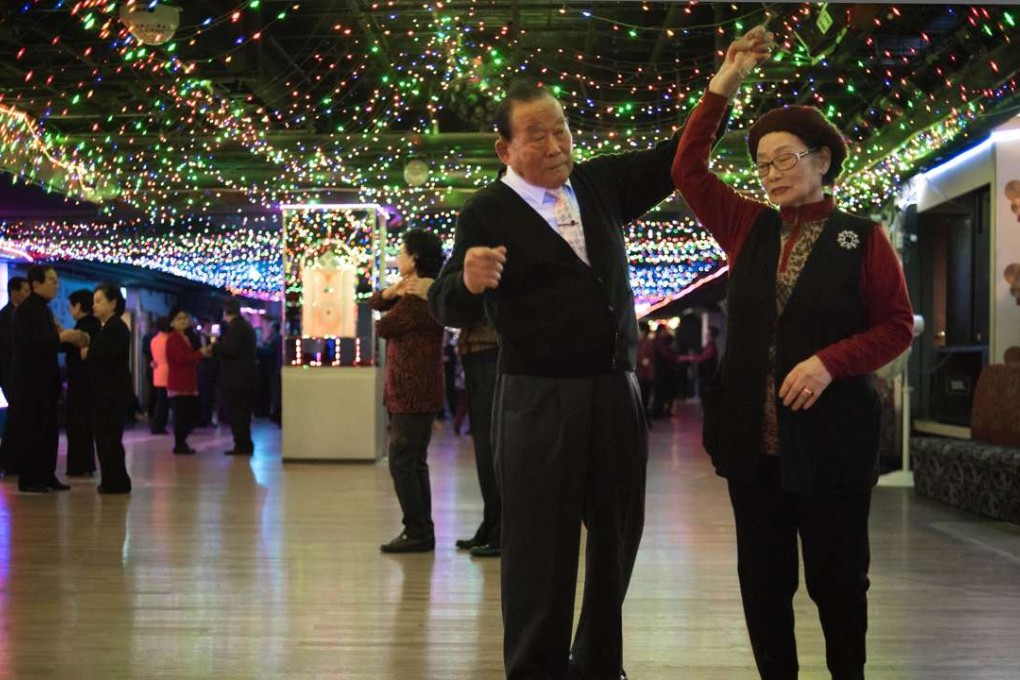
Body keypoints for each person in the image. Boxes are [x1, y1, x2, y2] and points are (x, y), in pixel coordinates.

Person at [672, 26, 915, 680]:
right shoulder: (747, 226)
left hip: (833, 442)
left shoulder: (860, 239)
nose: (773, 172)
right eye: (764, 163)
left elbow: (896, 326)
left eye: (787, 158)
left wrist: (829, 361)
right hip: (754, 449)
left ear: (822, 160)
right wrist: (725, 82)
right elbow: (687, 168)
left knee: (839, 584)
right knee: (764, 585)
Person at [428, 79, 677, 680]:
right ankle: (535, 667)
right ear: (504, 148)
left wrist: (727, 81)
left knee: (619, 530)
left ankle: (597, 661)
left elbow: (680, 154)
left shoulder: (598, 185)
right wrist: (467, 280)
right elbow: (444, 306)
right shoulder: (486, 212)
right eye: (536, 134)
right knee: (540, 543)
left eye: (561, 128)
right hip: (537, 396)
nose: (556, 143)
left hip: (614, 388)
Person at [370, 228, 445, 554]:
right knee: (413, 461)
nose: (397, 256)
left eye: (401, 251)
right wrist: (391, 291)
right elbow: (375, 303)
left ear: (414, 259)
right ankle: (420, 530)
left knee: (403, 461)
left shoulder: (419, 297)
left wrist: (396, 295)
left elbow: (383, 325)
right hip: (413, 389)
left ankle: (417, 531)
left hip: (413, 390)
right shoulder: (414, 292)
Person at [9, 266, 88, 493]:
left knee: (49, 429)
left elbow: (49, 342)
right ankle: (31, 479)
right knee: (34, 430)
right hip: (30, 382)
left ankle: (47, 475)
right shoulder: (25, 311)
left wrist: (69, 340)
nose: (56, 285)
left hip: (46, 380)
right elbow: (30, 345)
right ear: (36, 284)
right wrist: (61, 337)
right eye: (52, 280)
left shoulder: (43, 310)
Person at [453, 321, 501, 558]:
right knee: (484, 448)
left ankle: (499, 530)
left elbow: (466, 305)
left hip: (488, 352)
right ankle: (492, 524)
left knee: (491, 447)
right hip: (477, 353)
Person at [87, 283, 133, 494]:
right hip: (106, 391)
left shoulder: (116, 328)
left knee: (109, 438)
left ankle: (115, 481)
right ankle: (113, 480)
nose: (94, 306)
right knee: (107, 438)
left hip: (110, 393)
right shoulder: (108, 327)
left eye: (99, 301)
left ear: (113, 303)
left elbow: (107, 357)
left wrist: (89, 352)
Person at [63, 288, 102, 477]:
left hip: (79, 385)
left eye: (71, 306)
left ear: (78, 306)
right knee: (87, 426)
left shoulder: (82, 329)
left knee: (77, 426)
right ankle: (87, 464)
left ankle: (78, 465)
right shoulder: (98, 327)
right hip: (93, 385)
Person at [213, 298, 257, 456]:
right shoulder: (246, 327)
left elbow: (230, 350)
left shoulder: (235, 328)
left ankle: (241, 444)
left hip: (236, 378)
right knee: (244, 413)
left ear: (226, 312)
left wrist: (216, 346)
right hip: (246, 376)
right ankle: (245, 443)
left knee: (237, 413)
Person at [166, 308, 211, 454]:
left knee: (187, 414)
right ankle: (179, 444)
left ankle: (182, 442)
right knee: (181, 415)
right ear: (172, 322)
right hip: (179, 382)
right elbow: (182, 358)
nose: (183, 321)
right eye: (179, 318)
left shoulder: (185, 336)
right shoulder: (173, 338)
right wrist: (200, 354)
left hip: (188, 381)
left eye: (185, 318)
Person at [0, 276, 30, 476]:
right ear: (15, 292)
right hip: (10, 374)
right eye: (26, 290)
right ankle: (10, 461)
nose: (28, 294)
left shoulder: (19, 314)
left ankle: (15, 460)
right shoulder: (6, 316)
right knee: (16, 417)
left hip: (18, 374)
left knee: (18, 417)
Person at [149, 316, 171, 434]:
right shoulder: (168, 340)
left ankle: (157, 425)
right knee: (164, 403)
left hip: (157, 371)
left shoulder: (154, 340)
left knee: (160, 401)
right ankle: (159, 426)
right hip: (167, 371)